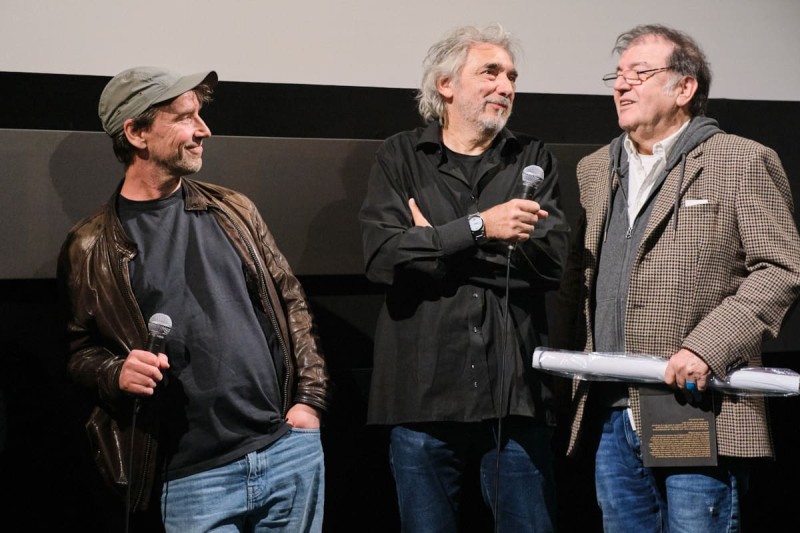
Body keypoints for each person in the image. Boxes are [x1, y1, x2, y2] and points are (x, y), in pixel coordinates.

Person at [57, 66, 331, 532]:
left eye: (199, 116)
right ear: (137, 132)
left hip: (286, 452)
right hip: (192, 478)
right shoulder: (91, 245)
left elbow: (292, 304)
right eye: (185, 118)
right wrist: (115, 372)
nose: (203, 130)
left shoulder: (234, 210)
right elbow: (79, 352)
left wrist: (309, 401)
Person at [553, 24, 800, 532]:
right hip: (611, 411)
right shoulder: (596, 169)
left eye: (639, 73)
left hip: (694, 406)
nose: (621, 86)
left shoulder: (741, 161)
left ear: (684, 89)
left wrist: (707, 347)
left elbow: (780, 268)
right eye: (616, 76)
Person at [359, 23, 570, 532]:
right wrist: (484, 228)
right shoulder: (401, 156)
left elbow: (550, 264)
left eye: (512, 76)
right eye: (491, 73)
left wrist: (440, 243)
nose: (506, 86)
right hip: (422, 397)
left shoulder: (533, 159)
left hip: (514, 400)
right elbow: (383, 257)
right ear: (446, 86)